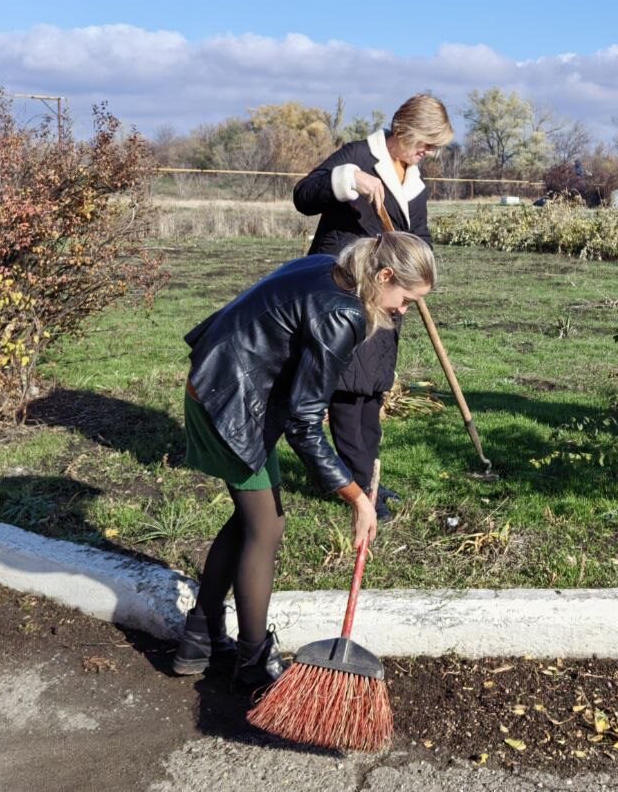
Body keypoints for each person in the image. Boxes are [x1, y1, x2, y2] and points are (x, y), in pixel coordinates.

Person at [172, 231, 436, 689]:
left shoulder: (330, 268)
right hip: (228, 406)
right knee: (267, 528)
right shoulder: (343, 313)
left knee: (251, 521)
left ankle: (198, 637)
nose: (403, 310)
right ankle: (253, 661)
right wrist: (357, 498)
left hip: (216, 385)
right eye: (406, 298)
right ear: (385, 275)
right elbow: (305, 424)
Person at [292, 94, 455, 520]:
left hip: (389, 294)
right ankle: (359, 487)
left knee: (371, 391)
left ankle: (368, 478)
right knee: (349, 391)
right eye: (426, 143)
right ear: (404, 130)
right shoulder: (359, 156)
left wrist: (417, 278)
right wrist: (350, 180)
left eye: (434, 146)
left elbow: (418, 235)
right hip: (347, 293)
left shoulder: (413, 180)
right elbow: (303, 195)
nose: (428, 153)